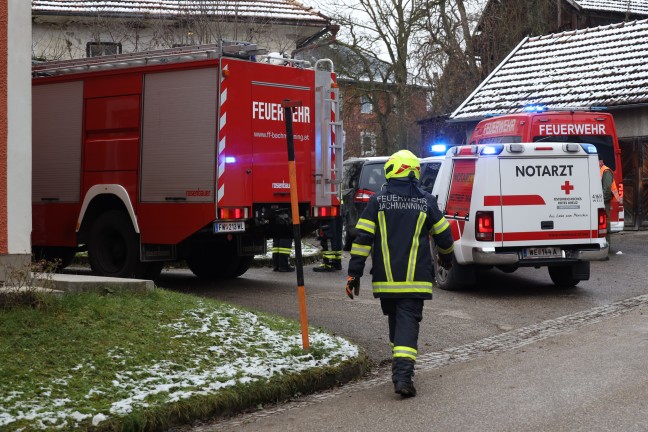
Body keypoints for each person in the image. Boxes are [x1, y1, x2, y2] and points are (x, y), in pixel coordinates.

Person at [345, 149, 455, 398]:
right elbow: (444, 236)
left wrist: (354, 274)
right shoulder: (426, 201)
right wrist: (446, 259)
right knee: (407, 324)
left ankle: (400, 368)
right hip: (415, 280)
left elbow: (362, 241)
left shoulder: (376, 202)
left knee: (397, 321)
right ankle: (403, 377)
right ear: (414, 172)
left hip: (386, 281)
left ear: (391, 172)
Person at [599, 157, 620, 251]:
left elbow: (607, 189)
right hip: (601, 201)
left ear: (601, 161)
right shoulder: (600, 170)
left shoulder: (606, 171)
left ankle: (607, 245)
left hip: (604, 201)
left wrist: (600, 201)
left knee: (605, 223)